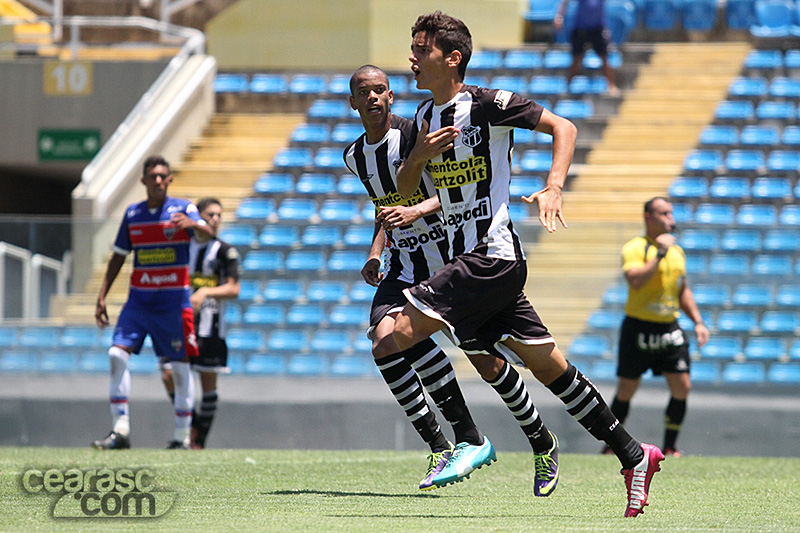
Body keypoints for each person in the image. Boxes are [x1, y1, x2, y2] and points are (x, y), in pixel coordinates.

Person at [393, 11, 663, 517]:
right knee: (547, 366)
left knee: (394, 334)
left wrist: (554, 187)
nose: (412, 58)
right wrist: (418, 157)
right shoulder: (424, 118)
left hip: (490, 256)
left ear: (452, 58)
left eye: (422, 49)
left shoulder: (487, 104)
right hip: (469, 264)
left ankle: (466, 441)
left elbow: (564, 126)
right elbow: (409, 188)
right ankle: (633, 453)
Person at [344, 65, 559, 495]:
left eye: (380, 90)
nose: (372, 98)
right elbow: (385, 204)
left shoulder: (415, 133)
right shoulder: (354, 156)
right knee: (384, 341)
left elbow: (456, 192)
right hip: (404, 263)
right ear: (353, 102)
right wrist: (375, 250)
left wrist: (416, 210)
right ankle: (447, 444)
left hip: (448, 259)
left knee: (488, 363)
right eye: (364, 92)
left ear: (391, 96)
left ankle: (539, 439)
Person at [92, 155, 213, 451]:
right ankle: (120, 430)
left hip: (174, 305)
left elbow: (208, 232)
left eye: (163, 176)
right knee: (116, 355)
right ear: (143, 180)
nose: (158, 181)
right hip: (139, 303)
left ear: (169, 179)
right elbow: (119, 255)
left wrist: (192, 224)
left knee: (180, 367)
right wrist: (102, 295)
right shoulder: (133, 214)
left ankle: (182, 437)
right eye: (153, 176)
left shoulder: (184, 209)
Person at [606, 197, 709, 457]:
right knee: (626, 390)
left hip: (668, 328)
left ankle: (670, 446)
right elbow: (635, 281)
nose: (670, 219)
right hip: (638, 328)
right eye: (664, 214)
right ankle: (611, 446)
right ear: (648, 217)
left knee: (682, 385)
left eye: (671, 214)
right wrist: (659, 254)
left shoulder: (677, 251)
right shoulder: (635, 247)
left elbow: (682, 289)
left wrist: (698, 321)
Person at [160, 197, 241, 449]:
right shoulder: (183, 247)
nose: (215, 220)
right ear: (198, 218)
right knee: (169, 374)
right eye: (209, 215)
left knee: (207, 381)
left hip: (210, 327)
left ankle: (197, 441)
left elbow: (234, 288)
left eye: (218, 215)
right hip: (180, 325)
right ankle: (190, 427)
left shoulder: (225, 250)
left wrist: (206, 292)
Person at [553, 0, 620, 96]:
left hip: (597, 28)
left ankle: (611, 85)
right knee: (576, 58)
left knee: (604, 56)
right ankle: (568, 86)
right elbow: (565, 1)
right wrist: (559, 16)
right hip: (580, 28)